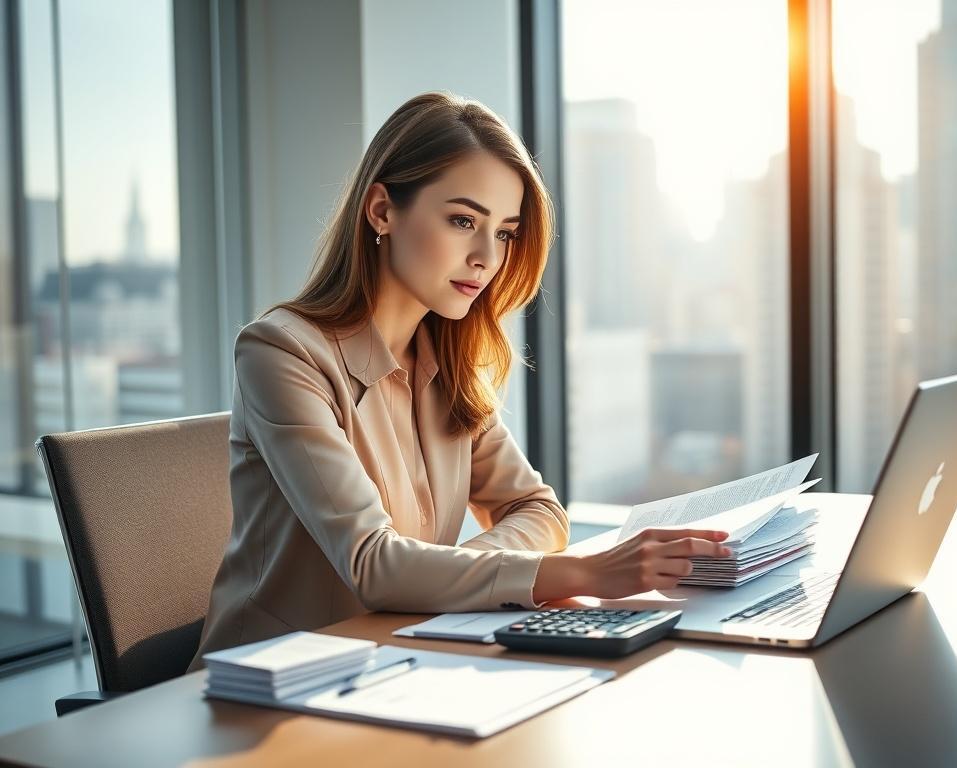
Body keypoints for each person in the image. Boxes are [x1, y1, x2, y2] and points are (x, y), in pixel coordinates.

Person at [188, 91, 731, 670]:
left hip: (393, 662)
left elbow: (538, 510)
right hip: (260, 687)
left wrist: (442, 574)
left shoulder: (446, 360)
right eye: (463, 220)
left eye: (503, 232)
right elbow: (373, 565)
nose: (485, 257)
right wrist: (583, 573)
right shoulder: (282, 352)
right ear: (381, 211)